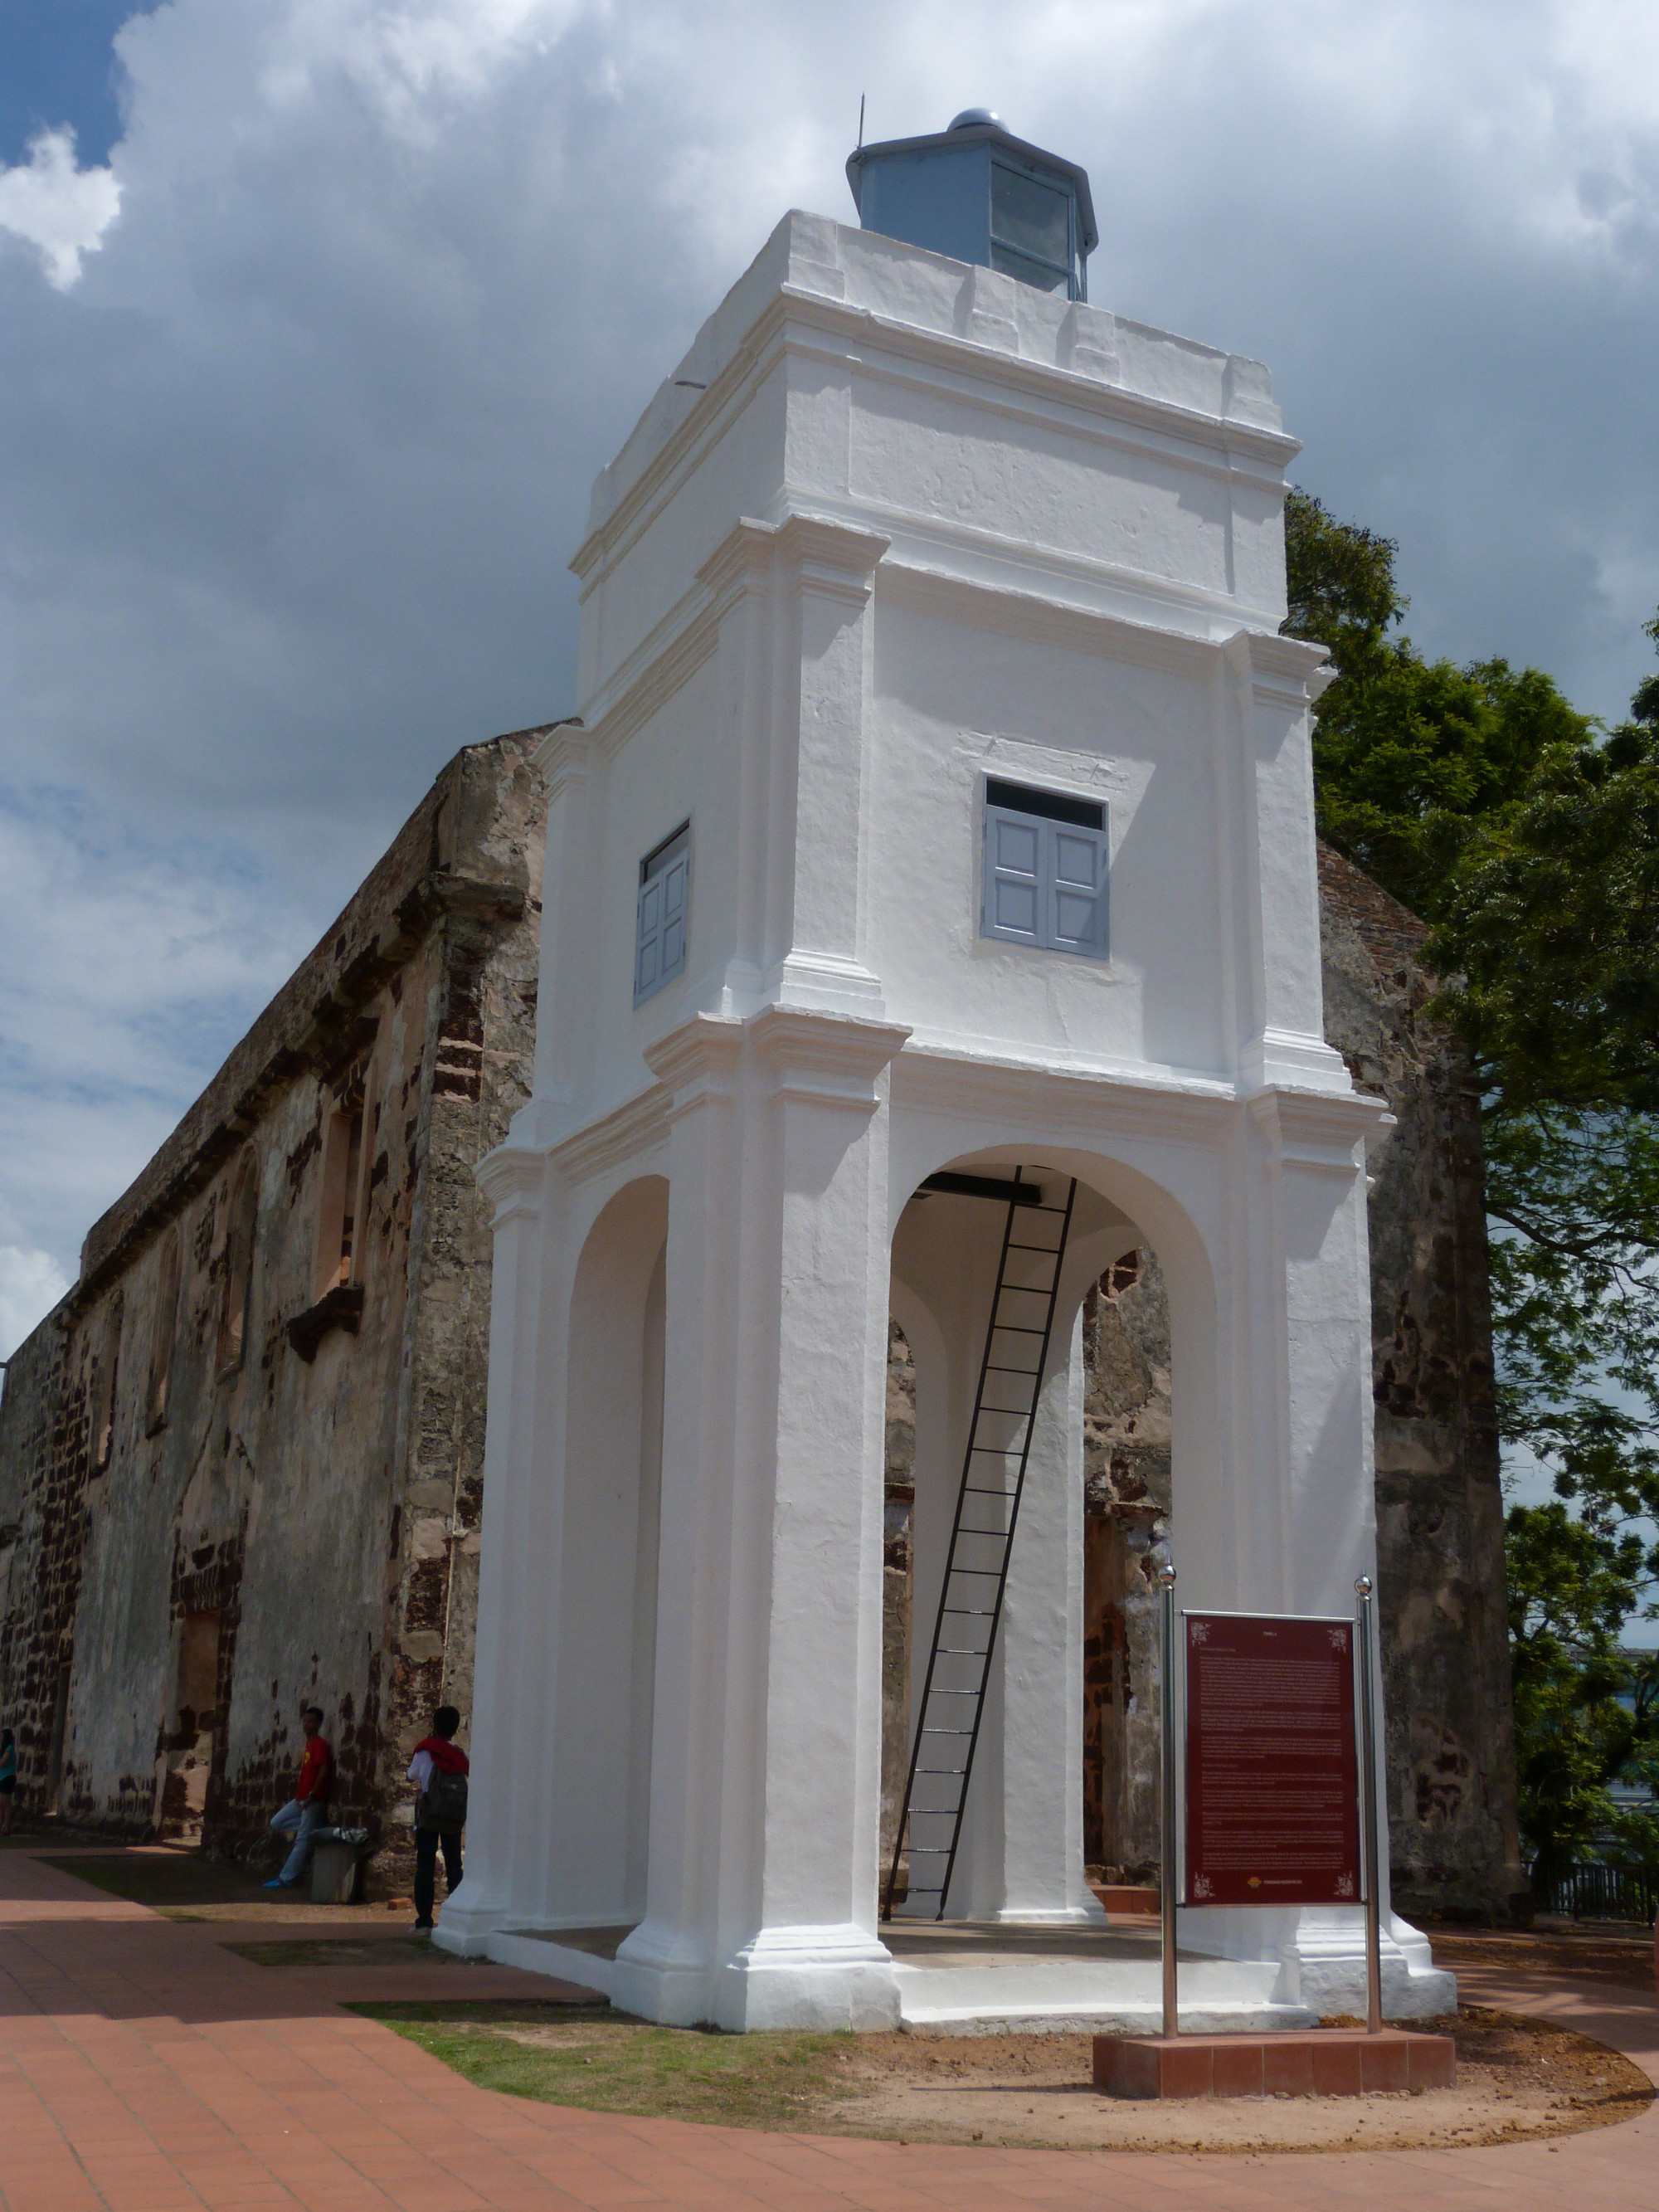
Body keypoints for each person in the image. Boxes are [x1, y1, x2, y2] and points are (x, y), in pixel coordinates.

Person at [407, 1704, 469, 1930]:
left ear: (434, 1724)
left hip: (429, 1815)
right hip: (453, 1817)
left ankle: (424, 1922)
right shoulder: (460, 1754)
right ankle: (456, 1920)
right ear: (455, 1729)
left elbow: (411, 1775)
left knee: (425, 1865)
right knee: (455, 1865)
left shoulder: (426, 1750)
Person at [263, 1705, 332, 1889]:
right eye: (305, 1721)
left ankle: (286, 1878)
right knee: (277, 1822)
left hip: (312, 1800)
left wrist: (312, 1794)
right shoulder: (309, 1744)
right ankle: (312, 1829)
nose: (306, 1724)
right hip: (299, 1799)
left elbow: (323, 1771)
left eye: (311, 1721)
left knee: (301, 1840)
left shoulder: (319, 1745)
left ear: (318, 1724)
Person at [0, 1727, 16, 1837]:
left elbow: (2, 1763)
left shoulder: (9, 1748)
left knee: (6, 1805)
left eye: (1, 1736)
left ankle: (7, 1829)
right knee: (1, 1805)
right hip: (2, 1777)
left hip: (8, 1777)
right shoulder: (3, 1749)